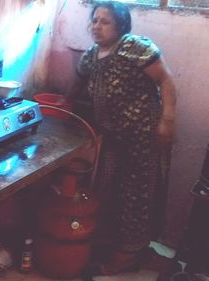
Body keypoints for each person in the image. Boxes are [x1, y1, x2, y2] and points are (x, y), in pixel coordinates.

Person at [65, 1, 177, 275]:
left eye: (105, 21)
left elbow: (166, 80)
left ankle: (129, 253)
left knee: (136, 194)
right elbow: (77, 82)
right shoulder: (91, 56)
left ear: (121, 26)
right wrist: (65, 104)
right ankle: (114, 243)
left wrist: (167, 121)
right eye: (94, 20)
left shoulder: (136, 48)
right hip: (113, 138)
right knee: (109, 189)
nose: (97, 26)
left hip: (142, 137)